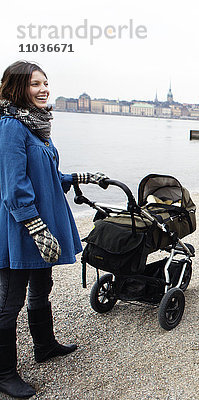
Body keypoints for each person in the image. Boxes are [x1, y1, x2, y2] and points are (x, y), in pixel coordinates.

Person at [0, 61, 108, 398]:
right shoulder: (11, 126)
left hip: (40, 224)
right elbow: (14, 187)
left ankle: (44, 346)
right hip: (20, 227)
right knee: (8, 299)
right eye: (35, 84)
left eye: (45, 83)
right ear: (17, 87)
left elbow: (47, 176)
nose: (43, 89)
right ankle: (3, 374)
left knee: (41, 284)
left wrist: (79, 178)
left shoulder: (36, 126)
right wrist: (35, 227)